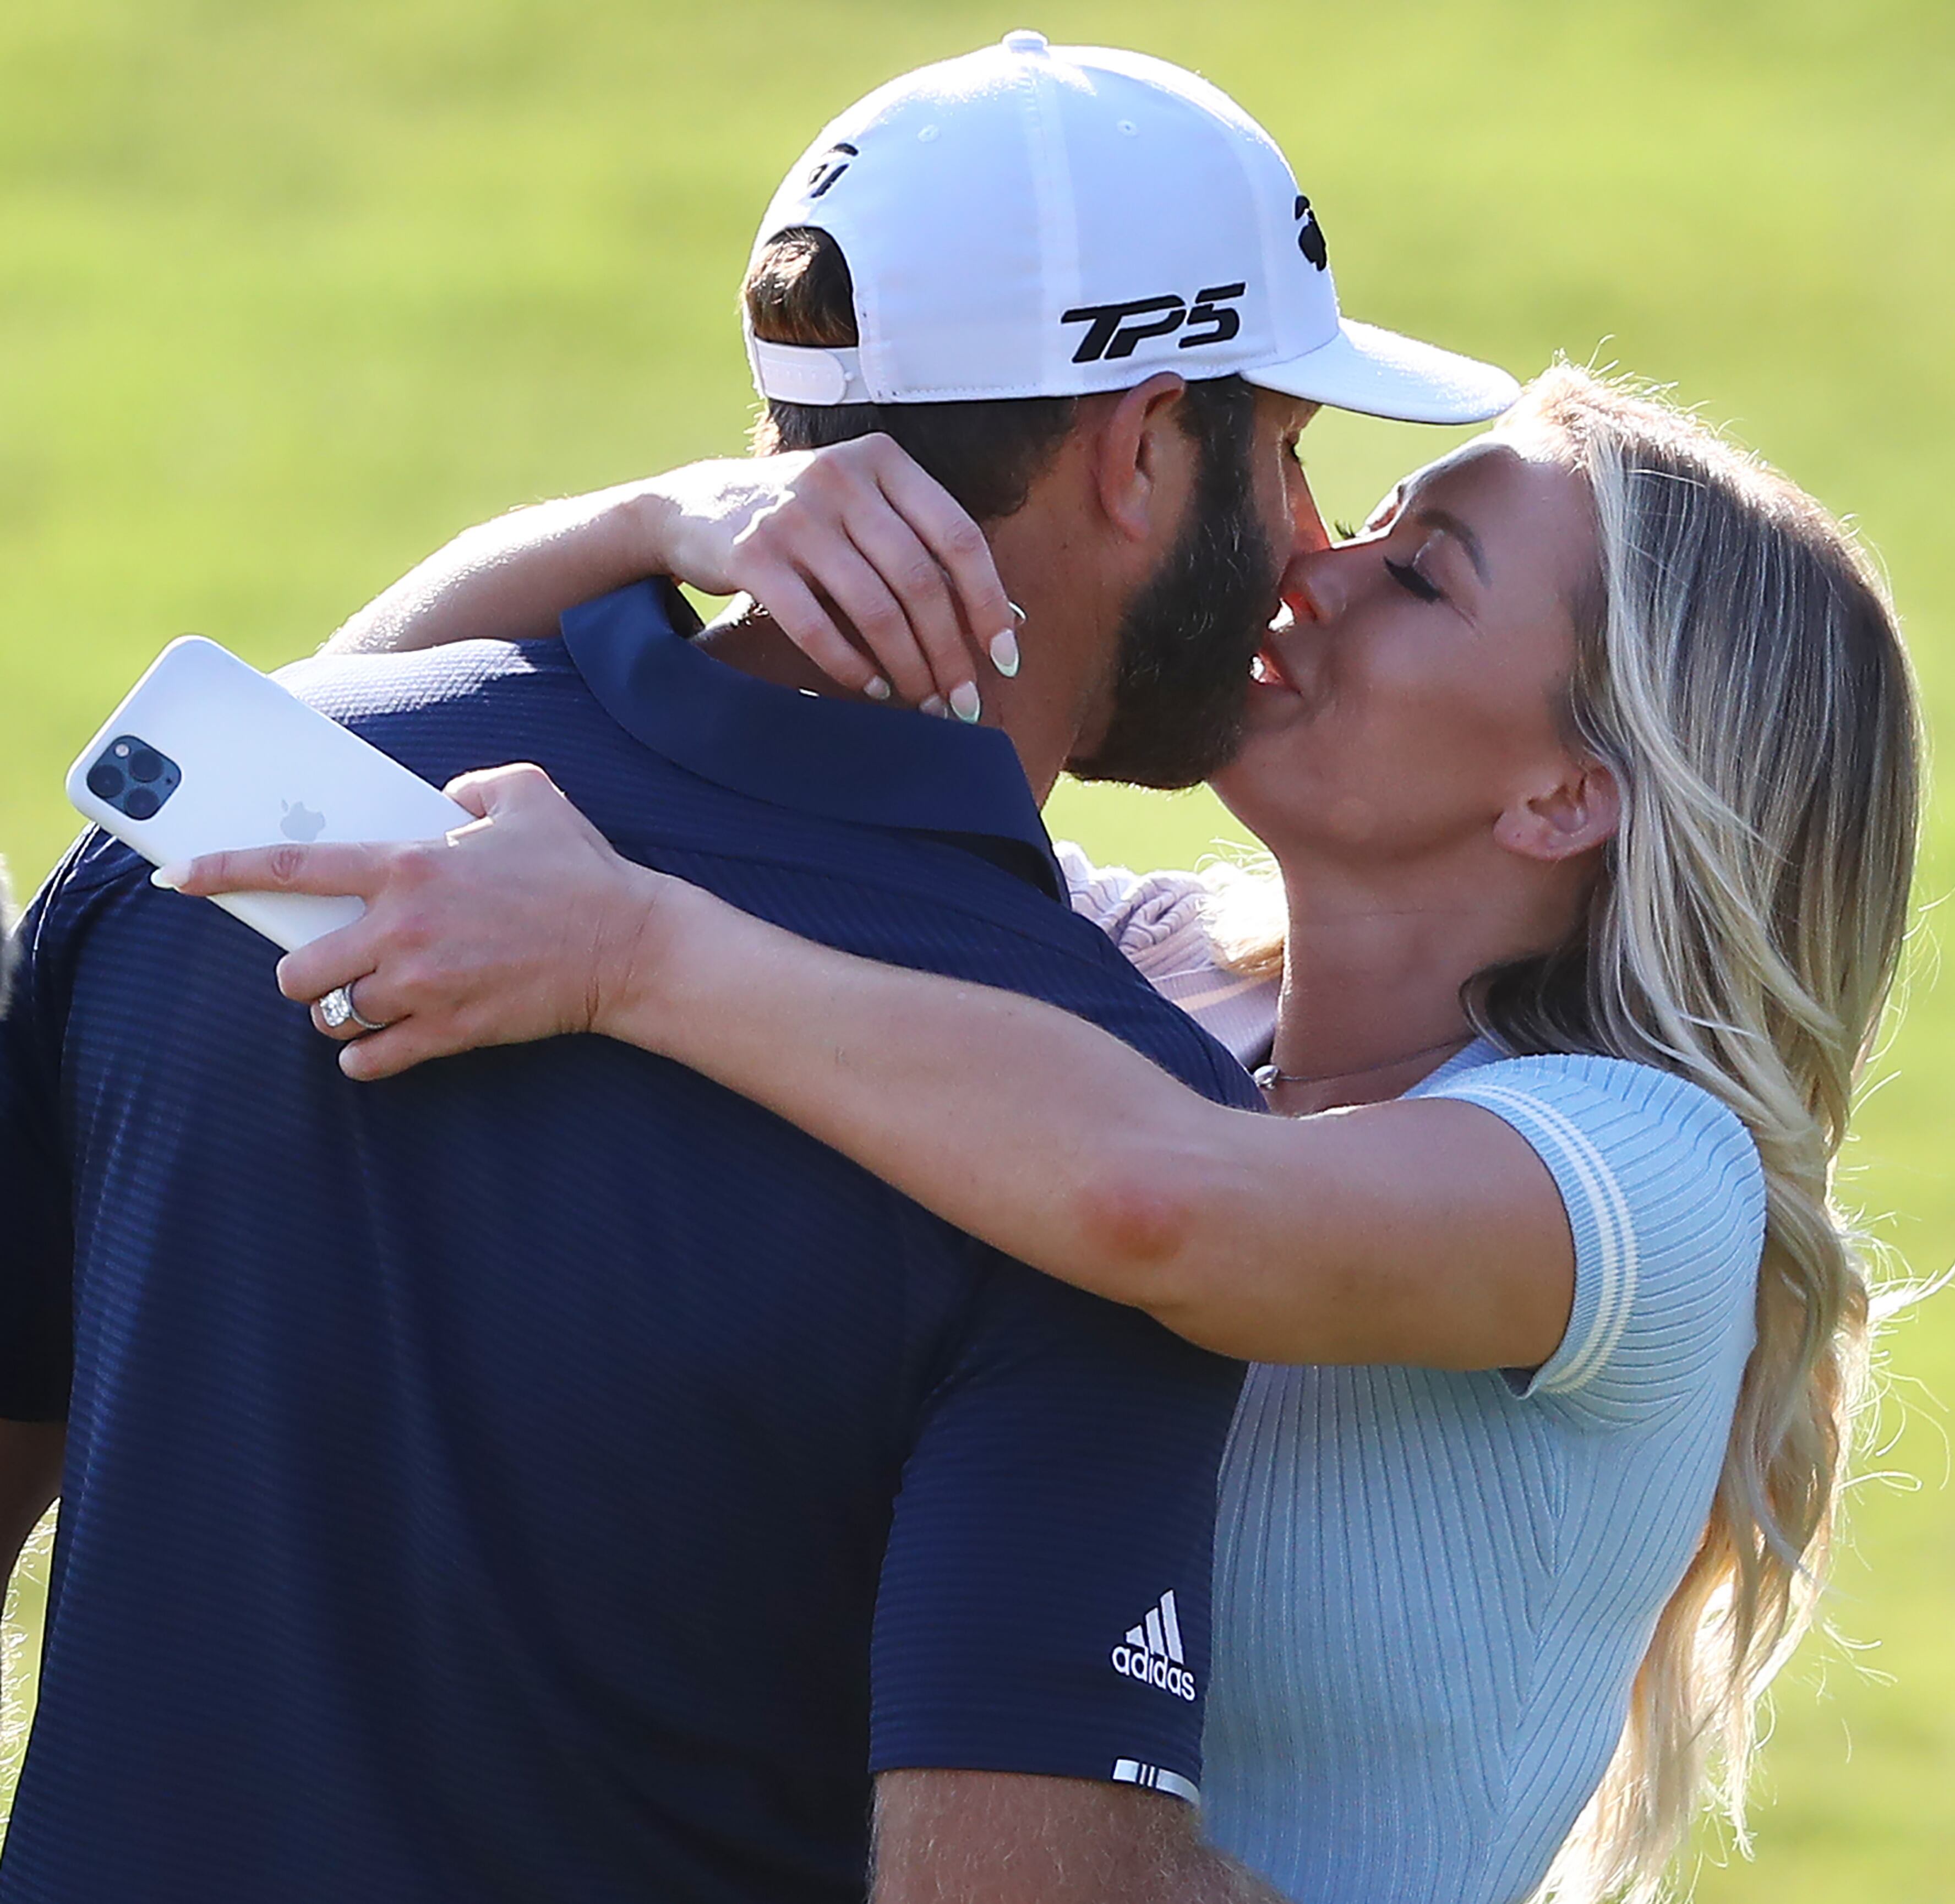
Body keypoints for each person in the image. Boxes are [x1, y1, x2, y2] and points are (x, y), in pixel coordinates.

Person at [0, 36, 1520, 1904]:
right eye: (1284, 453)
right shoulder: (1067, 1121)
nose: (1303, 545)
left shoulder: (215, 826)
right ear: (1139, 450)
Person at [179, 363, 1924, 1904]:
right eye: (1369, 515)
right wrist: (662, 521)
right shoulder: (1142, 978)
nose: (1305, 567)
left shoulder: (1641, 1173)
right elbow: (340, 735)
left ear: (1566, 793)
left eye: (1418, 573)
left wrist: (633, 949)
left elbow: (1169, 1206)